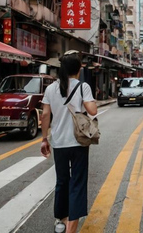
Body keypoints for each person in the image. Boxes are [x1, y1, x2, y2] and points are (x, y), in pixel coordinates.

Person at [40, 50, 97, 233]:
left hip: (59, 143)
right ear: (78, 69)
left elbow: (45, 115)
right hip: (79, 143)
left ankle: (61, 221)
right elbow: (93, 110)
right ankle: (71, 228)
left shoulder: (51, 88)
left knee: (62, 182)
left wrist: (44, 139)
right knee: (78, 183)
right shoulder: (83, 87)